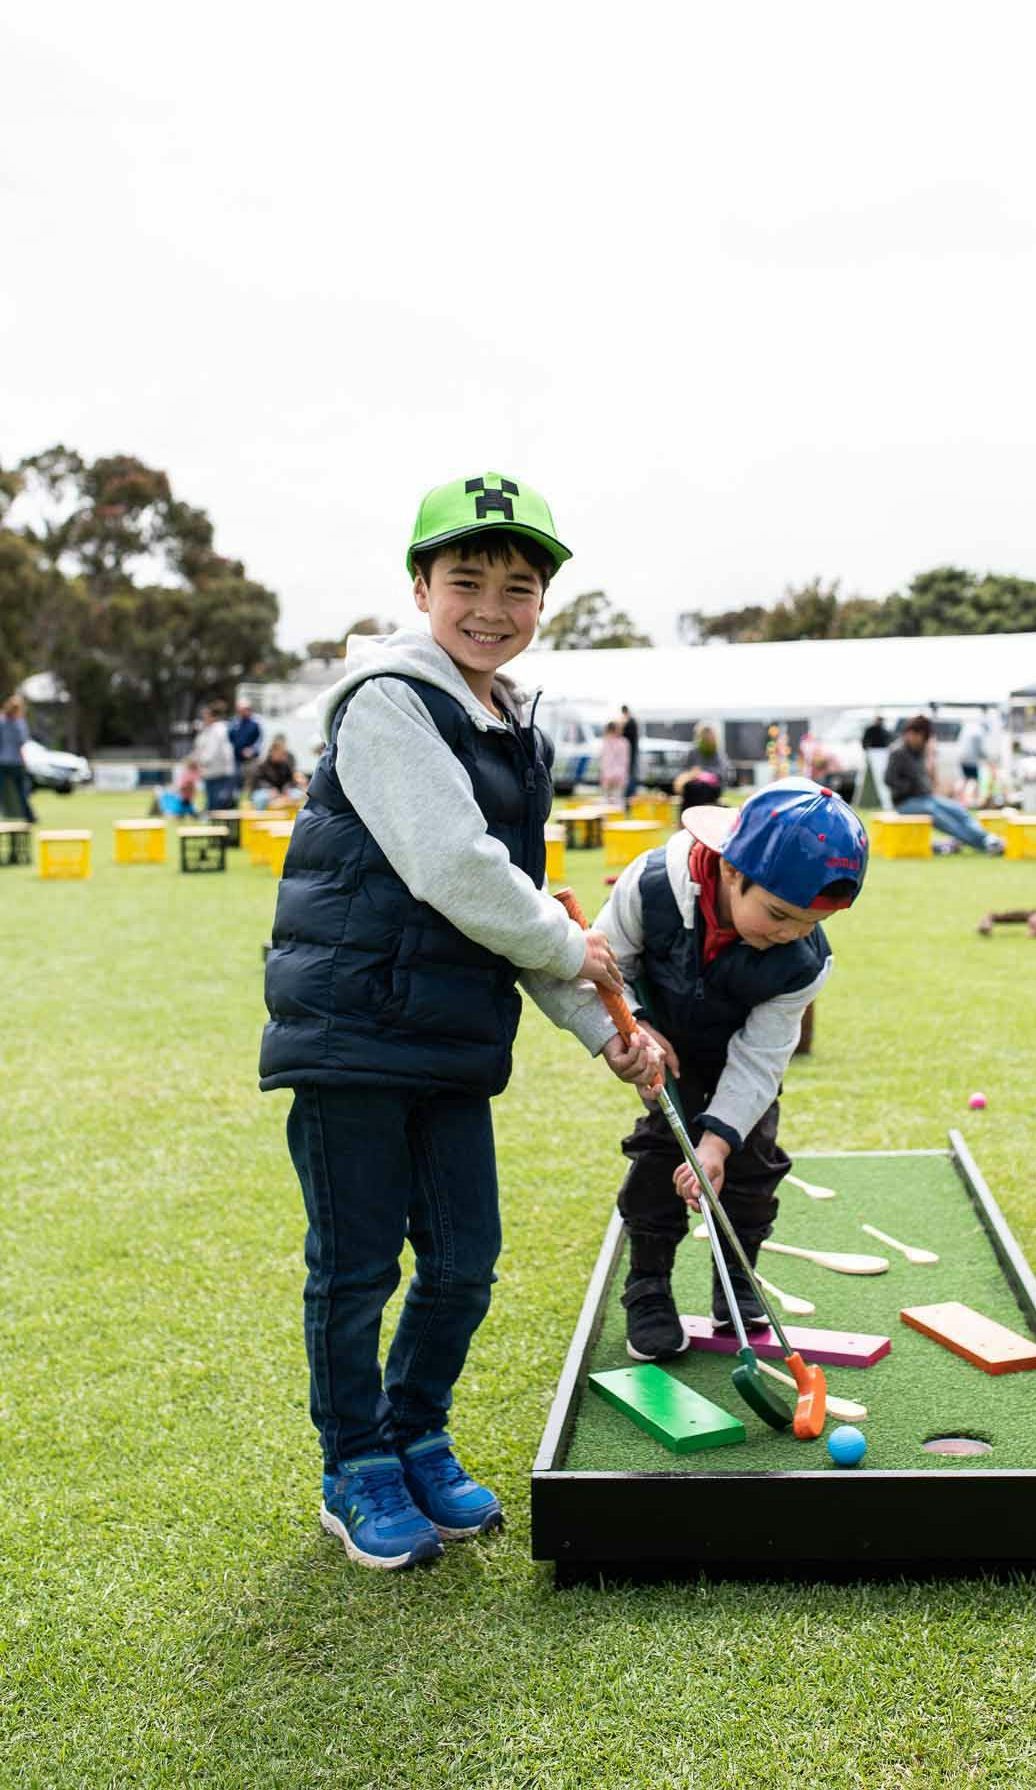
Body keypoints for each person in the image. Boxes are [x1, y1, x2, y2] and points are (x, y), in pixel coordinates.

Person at [258, 472, 658, 1572]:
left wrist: (603, 1028)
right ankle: (356, 1466)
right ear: (419, 586)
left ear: (542, 603)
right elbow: (455, 869)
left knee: (464, 1262)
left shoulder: (507, 722)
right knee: (354, 1269)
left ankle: (415, 1432)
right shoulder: (388, 699)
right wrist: (571, 949)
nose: (491, 604)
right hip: (352, 1033)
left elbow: (518, 916)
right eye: (466, 579)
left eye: (518, 586)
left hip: (446, 1038)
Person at [593, 782, 868, 1363]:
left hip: (740, 1055)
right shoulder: (649, 887)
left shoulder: (802, 962)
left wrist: (718, 1142)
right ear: (728, 868)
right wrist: (634, 1022)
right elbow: (603, 963)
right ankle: (648, 1286)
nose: (789, 933)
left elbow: (762, 1057)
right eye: (777, 915)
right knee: (663, 1154)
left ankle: (736, 1280)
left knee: (751, 1162)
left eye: (809, 923)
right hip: (662, 1046)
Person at [884, 716, 1006, 855]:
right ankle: (985, 844)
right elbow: (888, 779)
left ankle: (988, 838)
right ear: (911, 733)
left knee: (958, 810)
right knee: (944, 819)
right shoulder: (897, 752)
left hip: (926, 797)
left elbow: (928, 775)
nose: (921, 741)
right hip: (905, 802)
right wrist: (909, 788)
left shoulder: (919, 751)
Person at [193, 703, 238, 812]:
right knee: (214, 802)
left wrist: (201, 762)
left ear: (212, 716)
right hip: (213, 772)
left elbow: (212, 751)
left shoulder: (218, 730)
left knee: (218, 804)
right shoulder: (211, 729)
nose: (204, 718)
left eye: (206, 715)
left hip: (218, 773)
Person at [0, 695, 36, 824]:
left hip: (2, 761)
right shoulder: (20, 723)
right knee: (22, 791)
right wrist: (24, 761)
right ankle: (30, 816)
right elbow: (22, 743)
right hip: (16, 762)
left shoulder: (2, 720)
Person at [250, 736, 308, 808]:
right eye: (279, 753)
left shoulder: (285, 765)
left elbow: (290, 780)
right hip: (265, 792)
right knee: (261, 798)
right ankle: (260, 817)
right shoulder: (261, 765)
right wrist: (270, 789)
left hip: (282, 792)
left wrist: (287, 788)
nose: (281, 756)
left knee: (299, 795)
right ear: (272, 752)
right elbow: (258, 783)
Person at [228, 698, 265, 793]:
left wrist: (252, 750)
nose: (242, 712)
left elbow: (260, 740)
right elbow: (230, 738)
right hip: (237, 758)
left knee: (251, 782)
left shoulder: (255, 723)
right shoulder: (234, 723)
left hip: (251, 759)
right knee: (236, 782)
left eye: (244, 709)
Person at [598, 718, 631, 805]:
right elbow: (625, 761)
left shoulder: (605, 742)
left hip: (608, 775)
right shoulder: (624, 742)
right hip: (619, 775)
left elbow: (604, 760)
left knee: (606, 800)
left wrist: (604, 774)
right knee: (618, 800)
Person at [619, 704, 640, 808]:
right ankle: (630, 801)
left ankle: (629, 802)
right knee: (631, 779)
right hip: (631, 755)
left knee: (629, 780)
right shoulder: (633, 722)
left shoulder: (629, 723)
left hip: (629, 756)